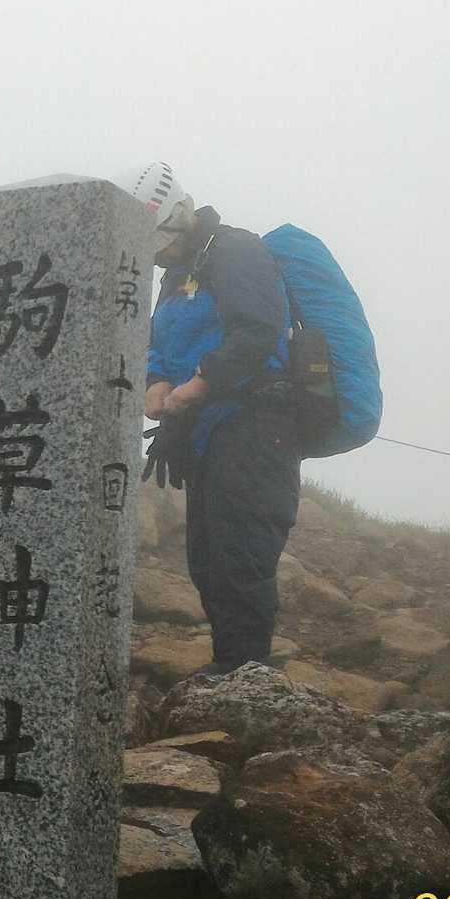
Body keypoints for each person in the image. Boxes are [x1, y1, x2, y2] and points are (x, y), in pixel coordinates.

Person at [127, 161, 298, 677]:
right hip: (203, 428)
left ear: (181, 214)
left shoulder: (235, 250)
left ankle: (242, 673)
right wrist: (157, 382)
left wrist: (199, 384)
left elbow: (258, 331)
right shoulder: (178, 274)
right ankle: (232, 666)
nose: (157, 255)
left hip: (253, 422)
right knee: (207, 555)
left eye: (160, 243)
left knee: (239, 549)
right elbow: (158, 341)